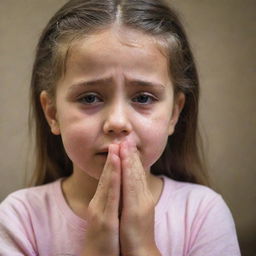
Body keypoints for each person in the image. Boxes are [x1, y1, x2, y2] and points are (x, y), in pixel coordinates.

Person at [0, 0, 241, 255]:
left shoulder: (202, 213)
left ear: (174, 113)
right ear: (52, 113)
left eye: (143, 98)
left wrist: (142, 246)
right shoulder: (19, 220)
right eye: (90, 98)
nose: (117, 122)